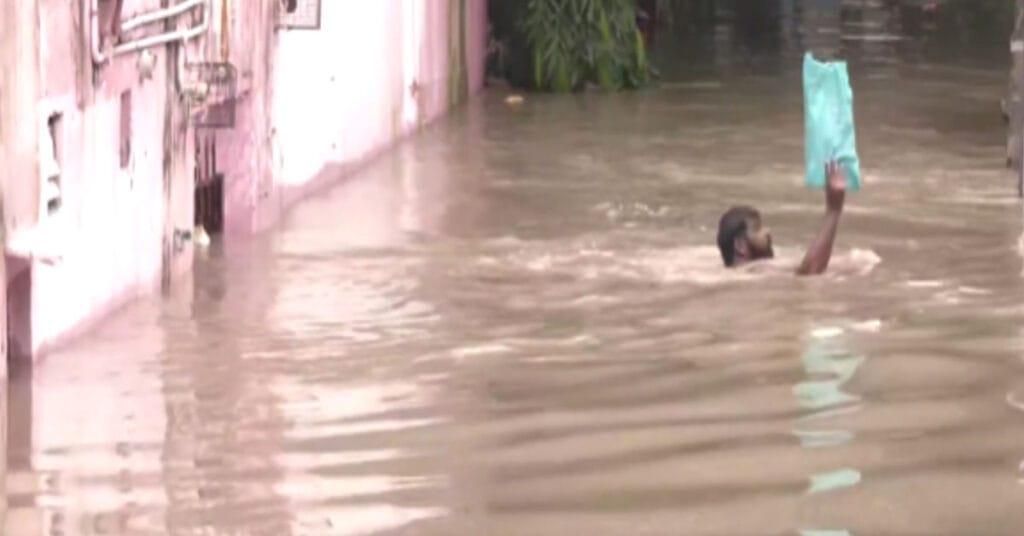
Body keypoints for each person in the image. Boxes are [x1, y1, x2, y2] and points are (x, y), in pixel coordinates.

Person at [716, 160, 847, 276]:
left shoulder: (738, 272)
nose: (767, 231)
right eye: (757, 229)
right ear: (740, 246)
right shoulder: (753, 270)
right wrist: (833, 209)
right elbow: (811, 271)